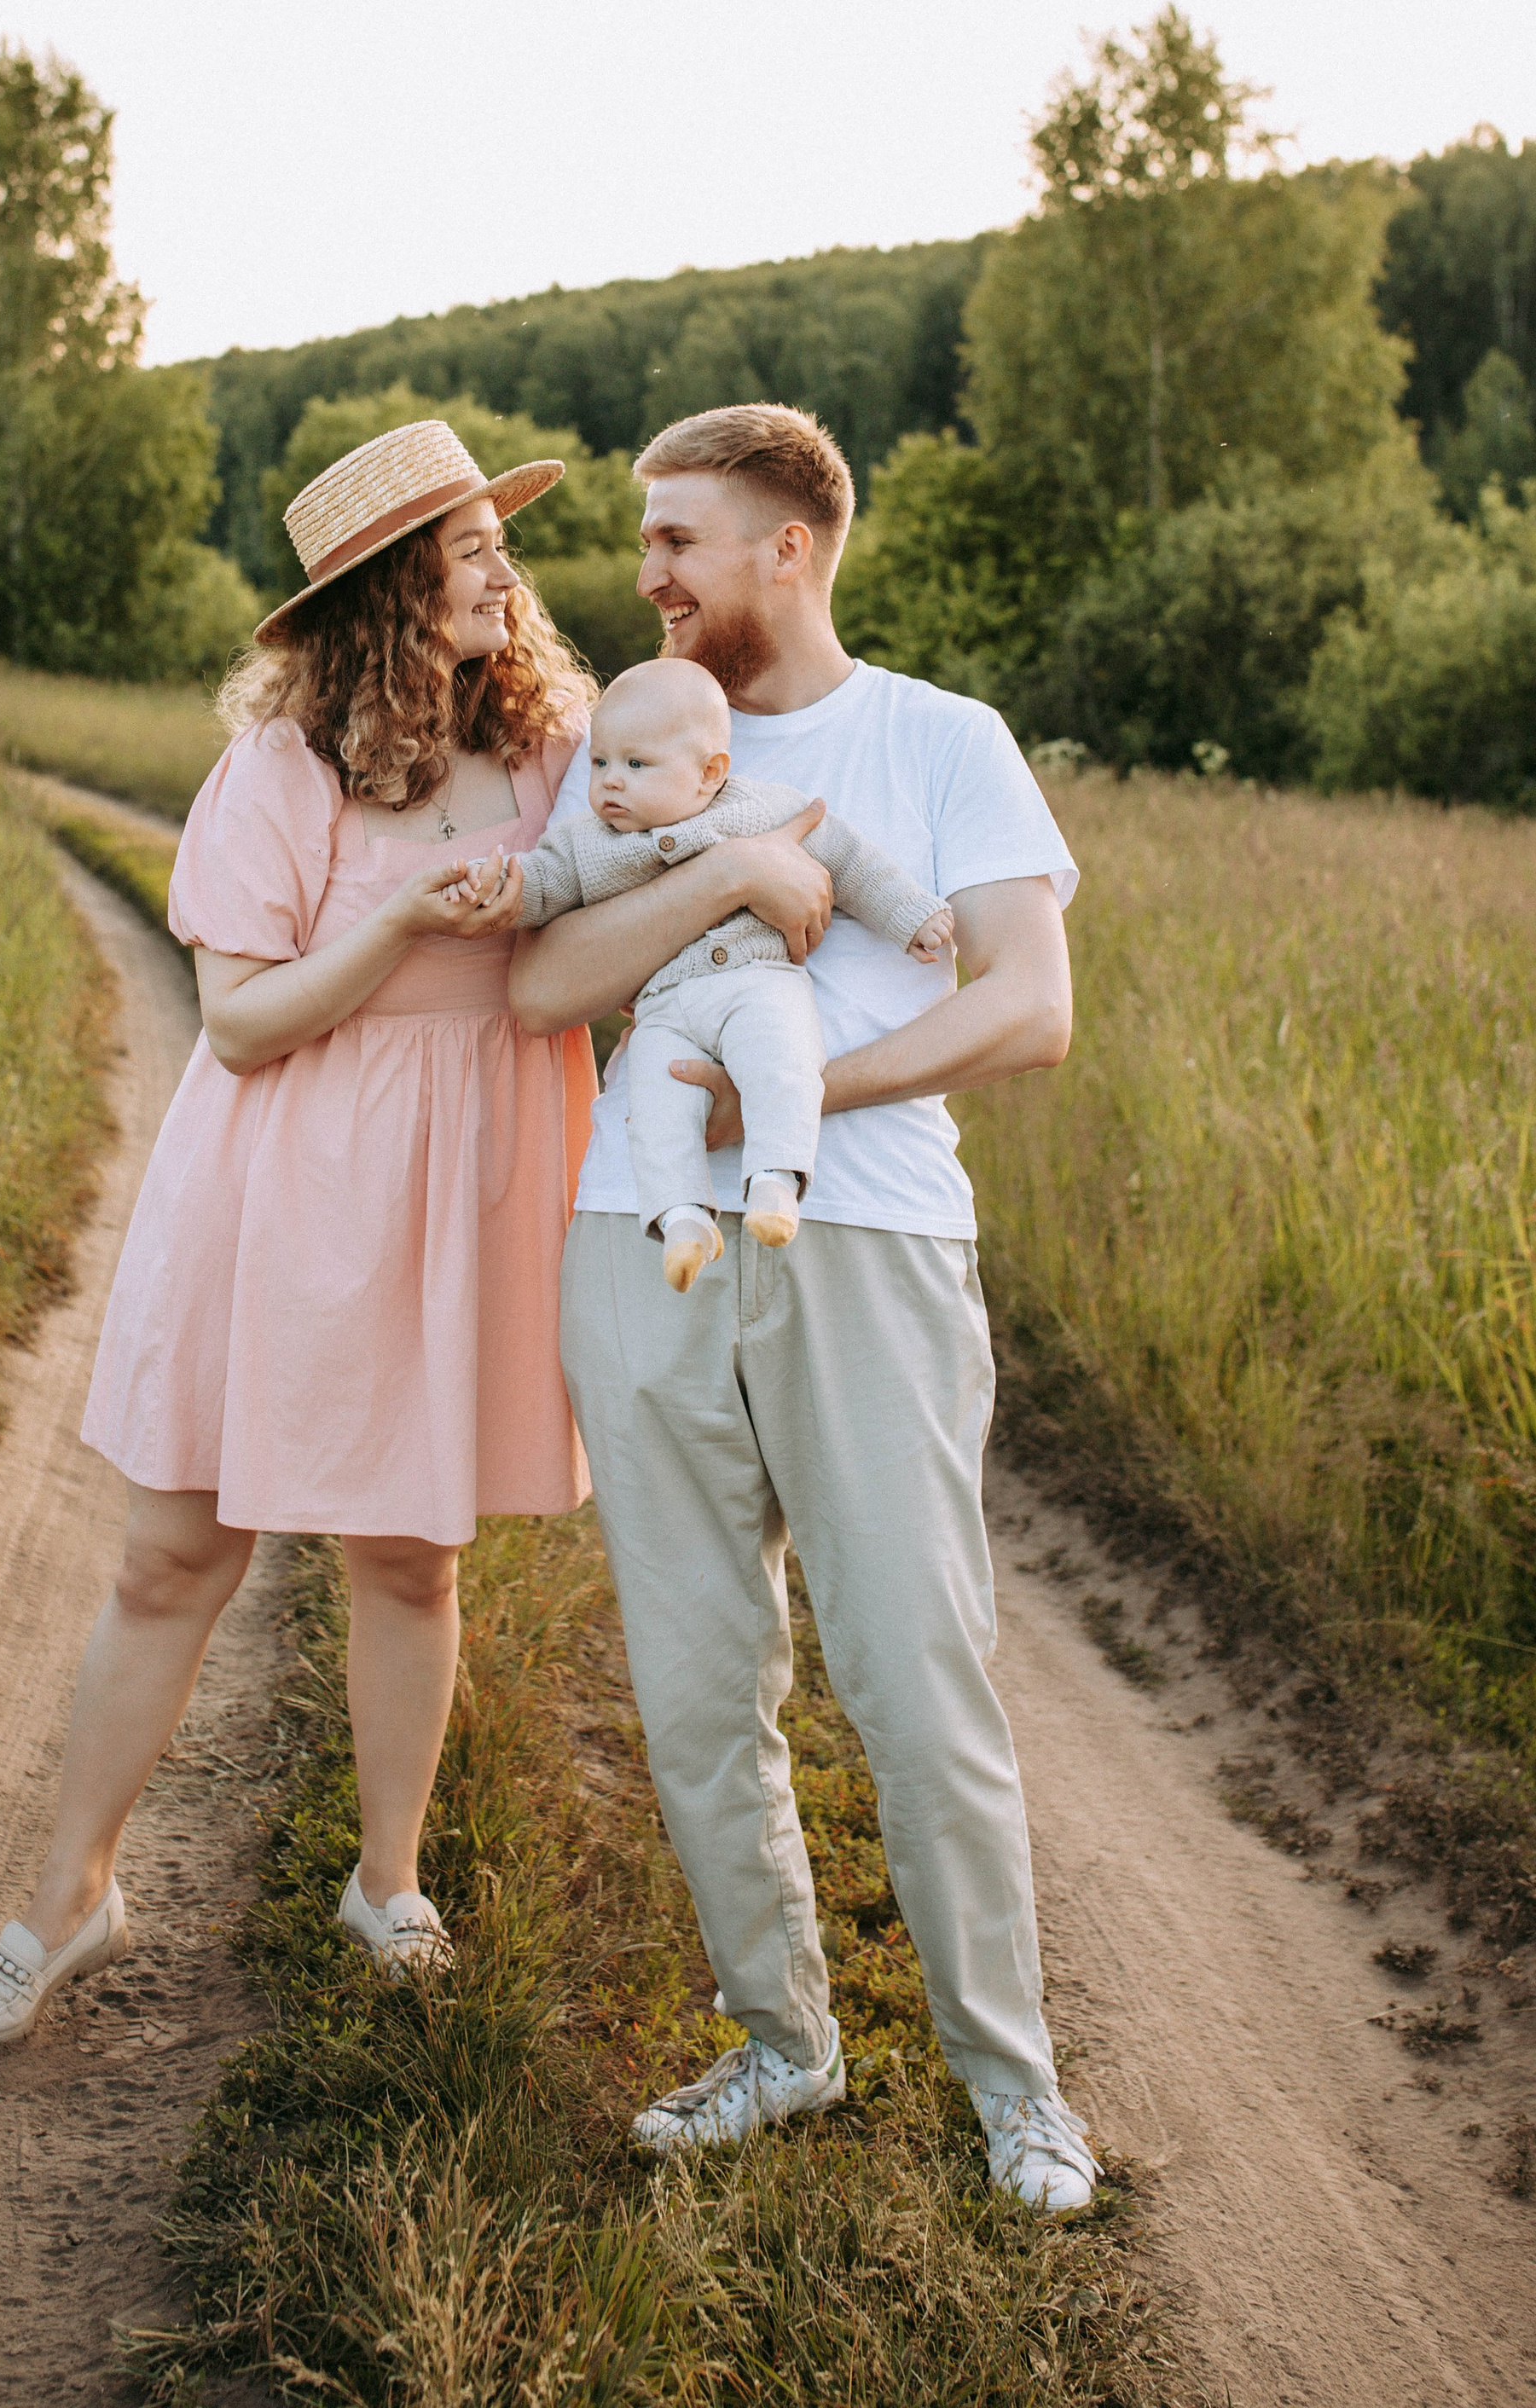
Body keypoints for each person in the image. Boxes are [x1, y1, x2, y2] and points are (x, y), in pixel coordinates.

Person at [0, 417, 595, 2051]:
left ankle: (387, 1881)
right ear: (388, 592)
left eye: (499, 545)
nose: (506, 571)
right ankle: (70, 1897)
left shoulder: (557, 748)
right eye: (470, 551)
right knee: (175, 1554)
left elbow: (646, 880)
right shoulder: (281, 776)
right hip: (286, 1180)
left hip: (471, 1183)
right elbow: (238, 1027)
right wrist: (388, 922)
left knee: (409, 1554)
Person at [507, 402, 1101, 2214]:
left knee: (916, 1685)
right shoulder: (620, 739)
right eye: (641, 544)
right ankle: (782, 2044)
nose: (647, 577)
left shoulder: (935, 740)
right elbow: (541, 979)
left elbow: (1029, 1004)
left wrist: (808, 1098)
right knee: (695, 1690)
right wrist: (728, 876)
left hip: (871, 1246)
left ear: (787, 546)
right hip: (641, 1238)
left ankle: (1017, 2092)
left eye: (678, 540)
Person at [504, 655, 954, 1288]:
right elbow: (542, 885)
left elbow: (850, 863)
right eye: (601, 763)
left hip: (757, 982)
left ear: (709, 772)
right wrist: (498, 890)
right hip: (665, 1009)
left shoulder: (760, 810)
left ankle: (776, 1180)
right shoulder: (586, 839)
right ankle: (682, 1220)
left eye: (635, 766)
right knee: (656, 1108)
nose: (608, 782)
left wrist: (910, 916)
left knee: (783, 1062)